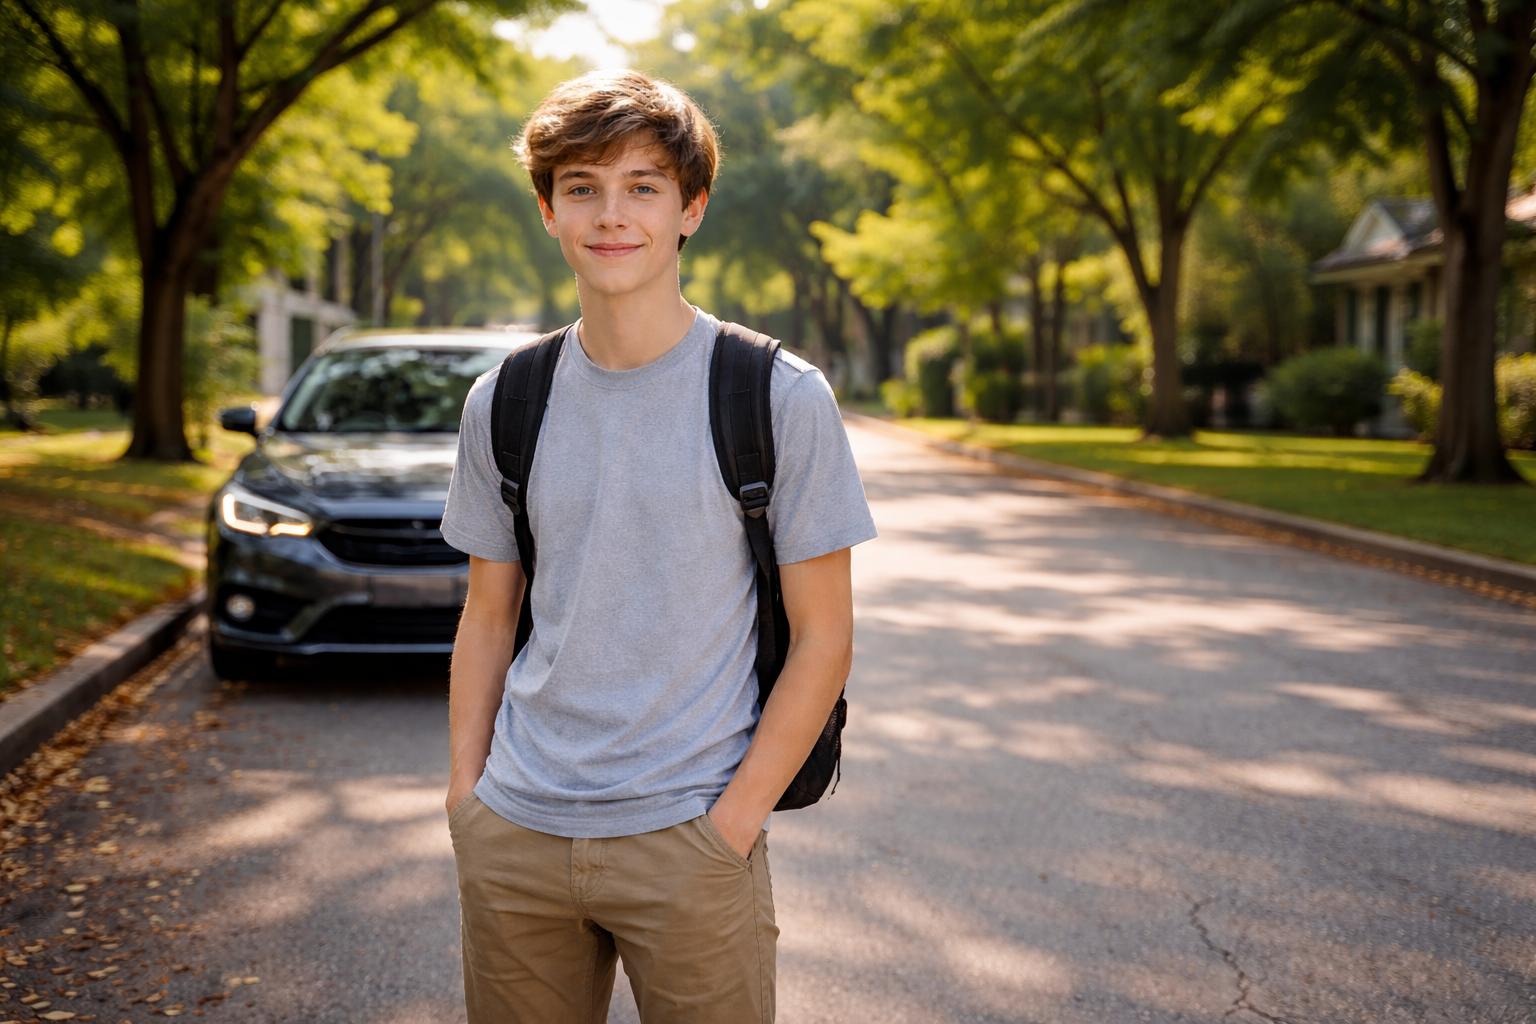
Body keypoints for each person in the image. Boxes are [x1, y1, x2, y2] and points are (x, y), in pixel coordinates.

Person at [439, 68, 877, 1024]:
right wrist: (468, 798)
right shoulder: (504, 400)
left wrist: (733, 824)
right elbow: (489, 609)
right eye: (582, 188)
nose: (612, 215)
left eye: (643, 186)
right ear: (548, 210)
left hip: (691, 838)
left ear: (692, 208)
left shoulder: (776, 396)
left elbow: (824, 637)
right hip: (517, 829)